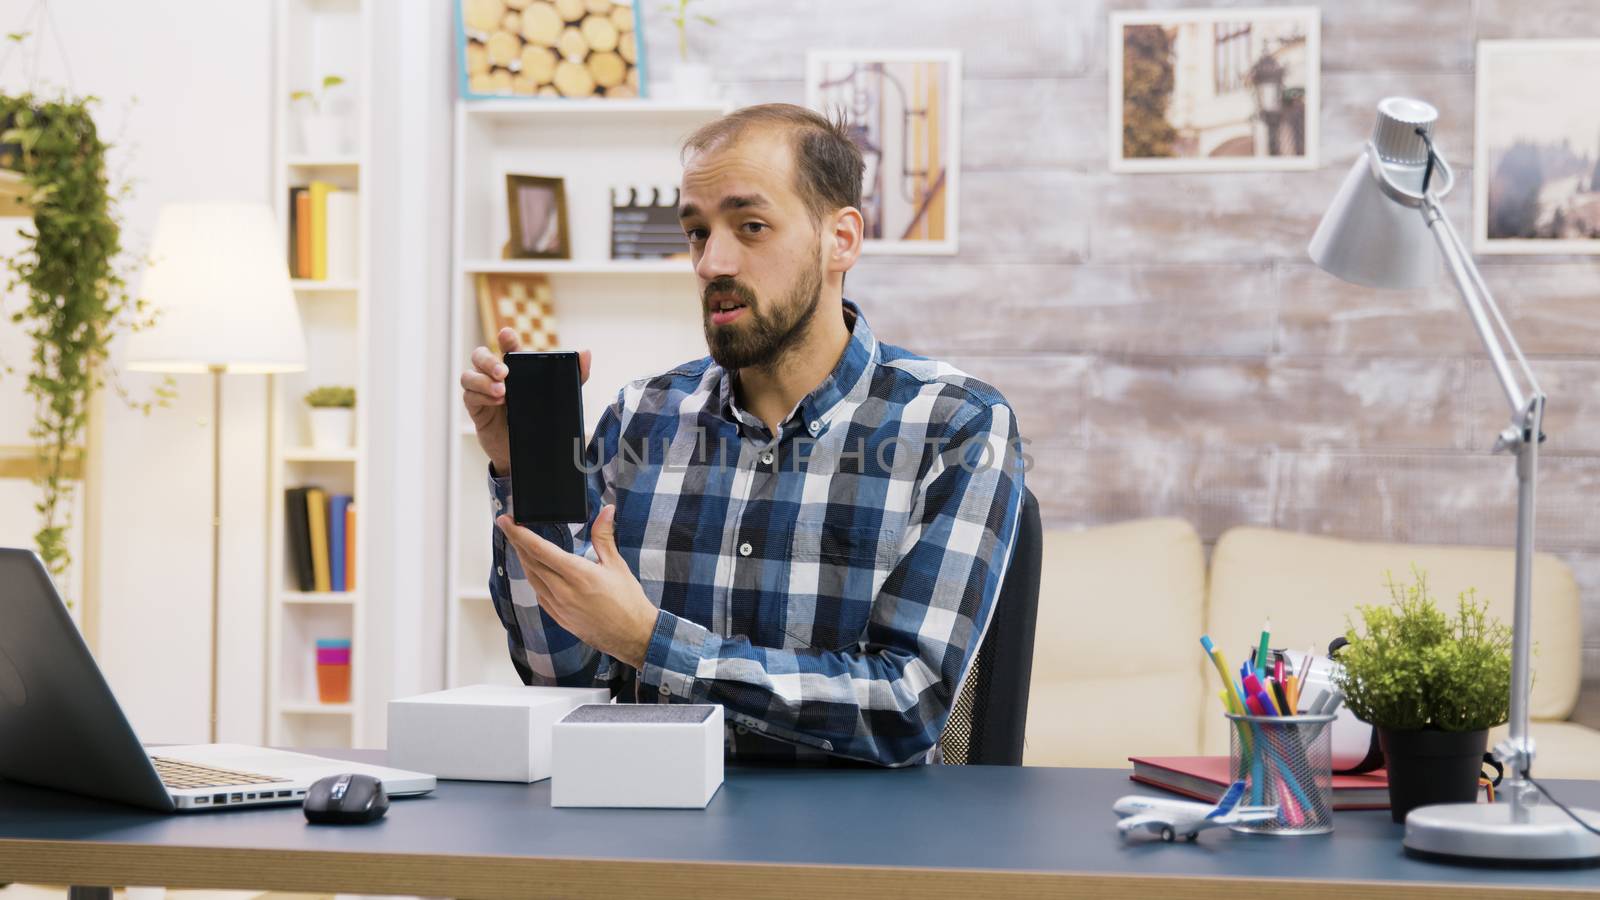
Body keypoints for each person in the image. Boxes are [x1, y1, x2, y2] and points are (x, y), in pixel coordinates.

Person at [459, 103, 1025, 767]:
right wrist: (520, 468)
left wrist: (653, 643)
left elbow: (908, 705)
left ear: (841, 239)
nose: (710, 262)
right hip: (652, 827)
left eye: (750, 226)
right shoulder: (642, 416)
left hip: (849, 850)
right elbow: (562, 674)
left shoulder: (956, 426)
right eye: (697, 233)